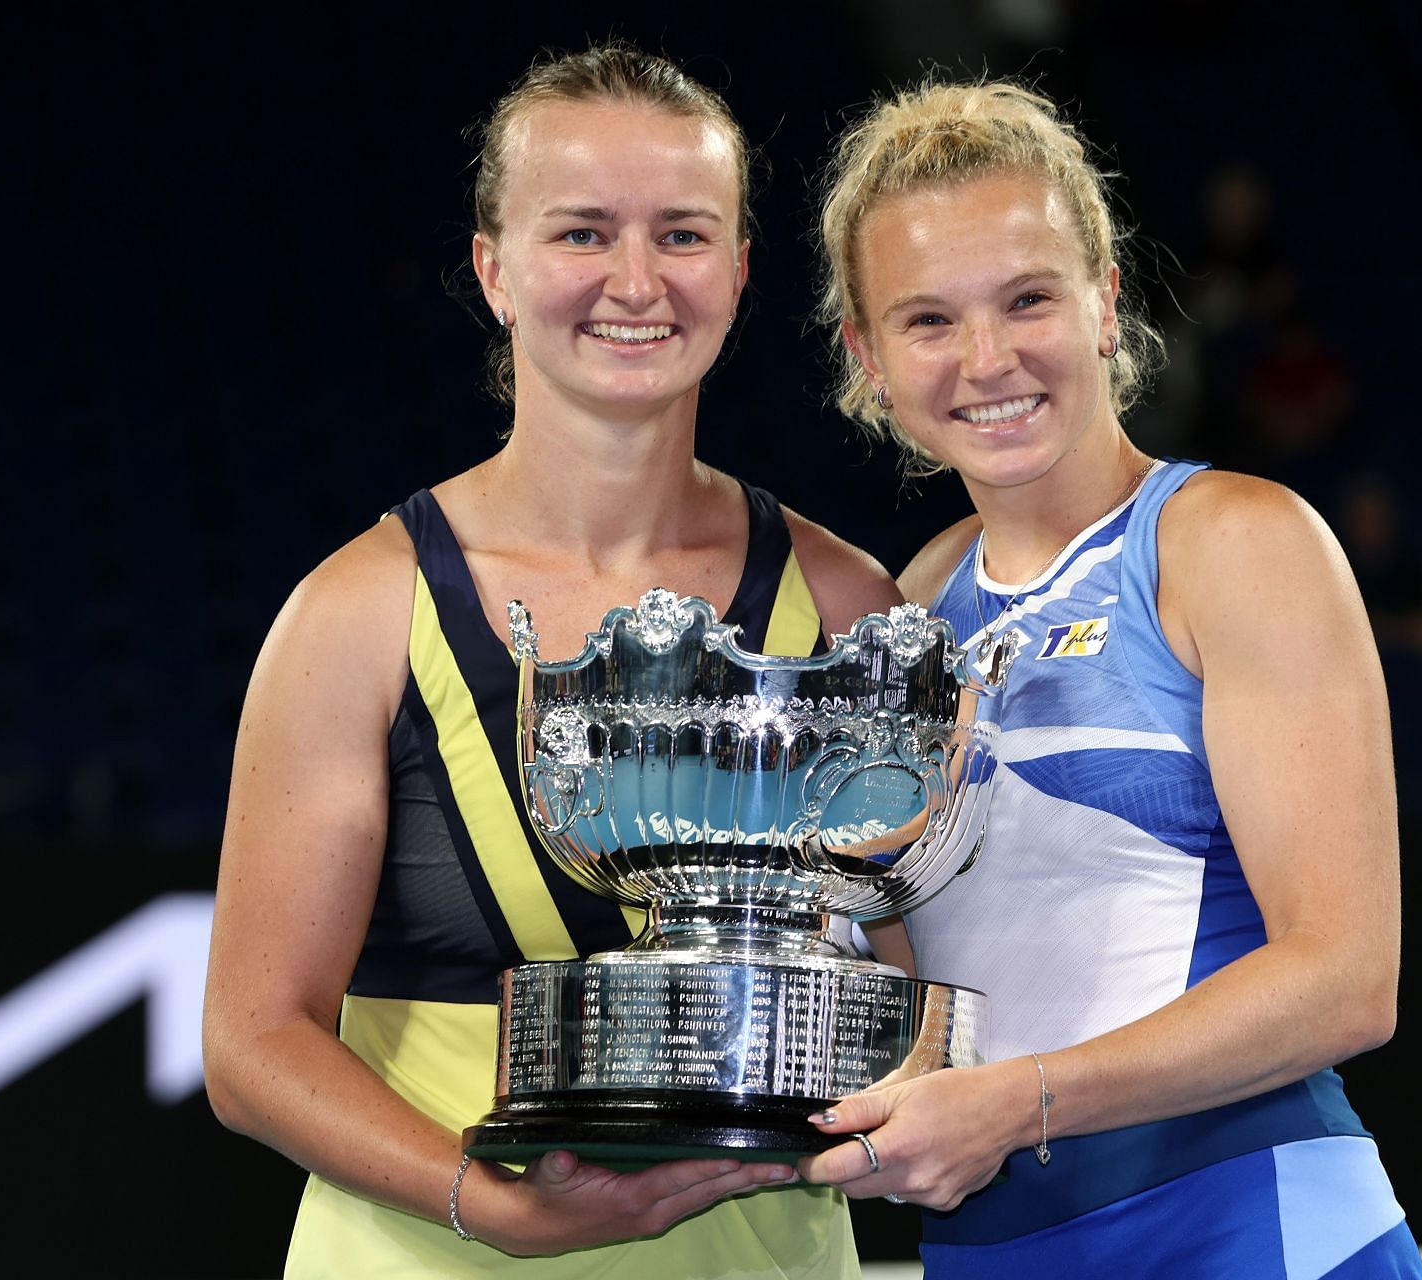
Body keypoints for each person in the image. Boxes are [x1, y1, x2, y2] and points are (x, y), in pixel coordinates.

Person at [201, 43, 897, 1278]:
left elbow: (910, 1011)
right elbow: (254, 1044)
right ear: (495, 270)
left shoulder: (845, 604)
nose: (637, 280)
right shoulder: (359, 609)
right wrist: (502, 1208)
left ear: (739, 270)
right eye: (582, 232)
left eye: (684, 234)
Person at [797, 80, 1422, 1277]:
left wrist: (1018, 1099)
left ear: (1104, 300)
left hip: (1250, 1229)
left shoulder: (1231, 541)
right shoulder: (914, 601)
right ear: (867, 358)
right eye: (929, 321)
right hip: (989, 1246)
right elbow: (916, 975)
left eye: (1027, 297)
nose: (988, 358)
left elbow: (1348, 978)